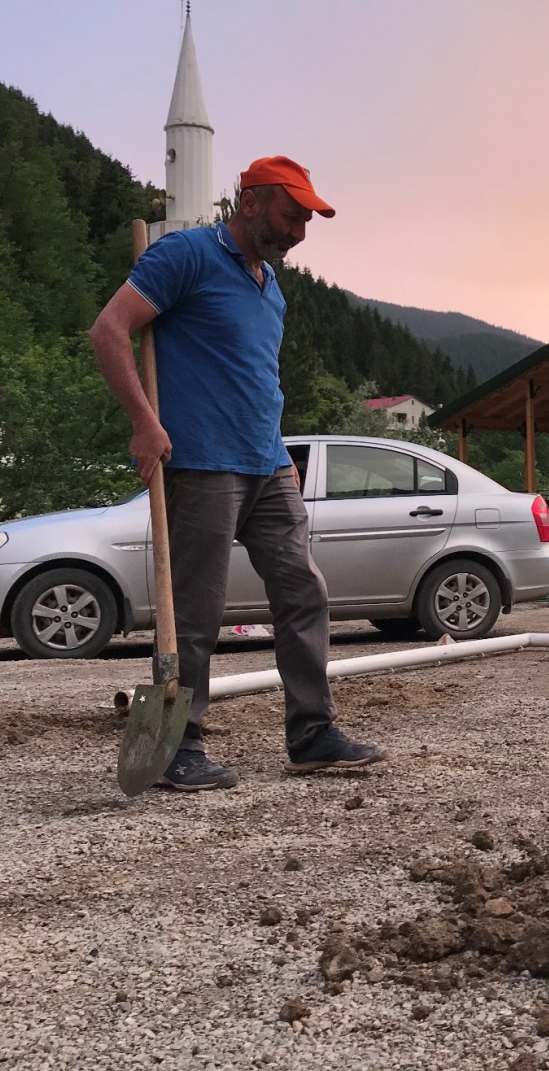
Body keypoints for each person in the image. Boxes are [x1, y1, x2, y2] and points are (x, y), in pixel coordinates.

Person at [89, 156, 384, 791]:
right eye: (291, 215)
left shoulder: (270, 286)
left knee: (304, 594)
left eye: (307, 219)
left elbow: (256, 377)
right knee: (194, 612)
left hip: (267, 460)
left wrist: (280, 453)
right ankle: (176, 746)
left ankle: (312, 734)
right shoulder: (184, 257)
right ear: (249, 203)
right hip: (198, 462)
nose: (300, 231)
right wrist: (144, 422)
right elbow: (109, 330)